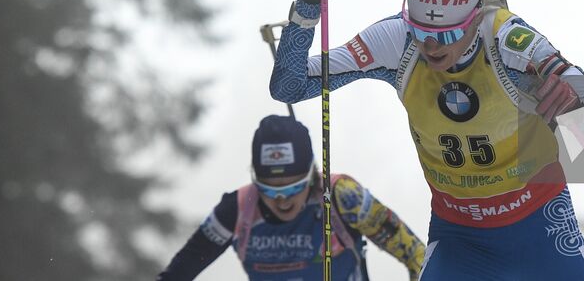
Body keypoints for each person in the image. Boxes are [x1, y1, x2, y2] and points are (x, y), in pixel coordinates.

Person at [270, 0, 584, 281]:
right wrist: (307, 7)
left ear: (476, 17)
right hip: (459, 237)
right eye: (420, 29)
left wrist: (574, 101)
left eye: (448, 33)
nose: (431, 45)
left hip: (540, 228)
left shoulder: (509, 42)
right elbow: (289, 87)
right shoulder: (396, 41)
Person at [156, 114, 425, 280]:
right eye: (270, 190)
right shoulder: (237, 209)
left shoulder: (342, 197)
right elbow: (180, 271)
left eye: (293, 187)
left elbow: (417, 257)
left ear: (311, 176)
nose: (282, 200)